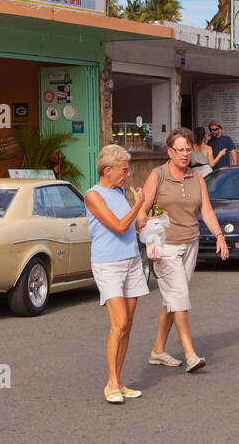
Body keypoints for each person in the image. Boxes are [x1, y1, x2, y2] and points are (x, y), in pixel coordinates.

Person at [138, 128, 229, 373]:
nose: (185, 154)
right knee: (179, 297)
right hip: (165, 246)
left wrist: (219, 235)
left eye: (188, 149)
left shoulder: (197, 177)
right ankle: (190, 354)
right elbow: (142, 211)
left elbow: (206, 210)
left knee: (173, 299)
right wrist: (150, 241)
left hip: (191, 243)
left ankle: (158, 350)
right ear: (170, 152)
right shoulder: (158, 176)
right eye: (180, 150)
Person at [84, 144, 150, 403]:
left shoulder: (120, 192)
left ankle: (119, 381)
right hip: (108, 264)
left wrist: (142, 221)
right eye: (124, 170)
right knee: (119, 323)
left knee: (128, 325)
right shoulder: (93, 195)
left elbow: (130, 226)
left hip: (132, 260)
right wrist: (138, 205)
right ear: (108, 170)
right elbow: (119, 226)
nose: (128, 174)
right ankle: (111, 383)